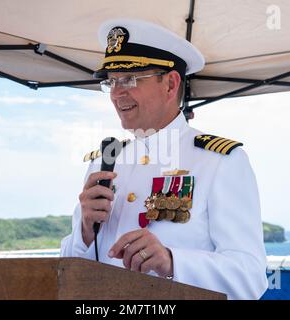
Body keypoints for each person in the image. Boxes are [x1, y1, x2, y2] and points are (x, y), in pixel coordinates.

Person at [61, 18, 268, 299]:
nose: (117, 93)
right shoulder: (104, 161)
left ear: (171, 84)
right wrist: (85, 232)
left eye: (130, 79)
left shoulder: (220, 162)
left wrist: (172, 262)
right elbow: (67, 271)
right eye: (112, 82)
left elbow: (250, 277)